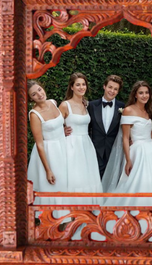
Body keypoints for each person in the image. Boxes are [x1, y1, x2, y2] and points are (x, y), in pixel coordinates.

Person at [109, 80, 152, 206]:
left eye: (146, 93)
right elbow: (125, 138)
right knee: (136, 183)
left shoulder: (148, 112)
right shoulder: (128, 110)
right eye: (141, 93)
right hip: (137, 152)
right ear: (135, 95)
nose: (144, 95)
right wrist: (128, 160)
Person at [59, 72, 103, 204]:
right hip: (72, 145)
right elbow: (53, 125)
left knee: (88, 178)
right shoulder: (65, 105)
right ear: (71, 87)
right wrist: (62, 130)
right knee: (75, 178)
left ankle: (87, 213)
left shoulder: (86, 104)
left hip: (86, 145)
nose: (81, 87)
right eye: (77, 85)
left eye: (83, 84)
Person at [26, 80, 68, 205]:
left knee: (66, 185)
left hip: (63, 147)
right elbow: (39, 144)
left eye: (39, 89)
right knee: (54, 188)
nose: (39, 94)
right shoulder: (34, 114)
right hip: (49, 153)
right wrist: (48, 170)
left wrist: (61, 131)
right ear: (30, 98)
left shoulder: (53, 102)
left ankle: (67, 221)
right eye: (34, 94)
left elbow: (58, 123)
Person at [87, 74, 125, 178]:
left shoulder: (122, 107)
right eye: (110, 87)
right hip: (95, 150)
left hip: (114, 149)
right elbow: (86, 126)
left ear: (118, 91)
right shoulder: (92, 105)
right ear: (104, 86)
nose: (112, 91)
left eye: (115, 89)